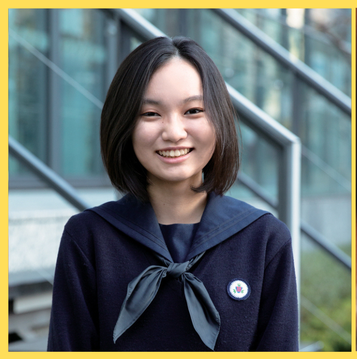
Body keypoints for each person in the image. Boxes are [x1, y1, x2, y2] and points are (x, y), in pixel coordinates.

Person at [47, 36, 298, 351]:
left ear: (218, 119)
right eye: (151, 114)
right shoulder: (88, 237)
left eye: (193, 110)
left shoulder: (264, 239)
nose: (174, 132)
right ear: (123, 124)